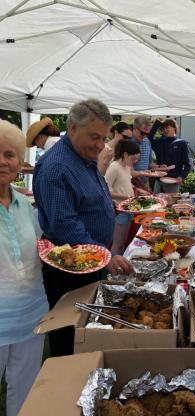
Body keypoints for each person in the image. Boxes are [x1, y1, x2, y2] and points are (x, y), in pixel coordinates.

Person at [33, 98, 133, 357]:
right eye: (95, 137)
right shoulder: (56, 167)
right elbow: (64, 225)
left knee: (85, 328)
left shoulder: (81, 155)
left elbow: (85, 198)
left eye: (103, 138)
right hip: (70, 269)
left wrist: (104, 203)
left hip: (90, 261)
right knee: (69, 334)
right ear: (73, 128)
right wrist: (104, 255)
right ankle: (63, 383)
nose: (101, 145)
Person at [0, 120, 49, 416]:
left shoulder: (24, 204)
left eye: (9, 154)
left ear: (19, 162)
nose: (3, 162)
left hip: (32, 309)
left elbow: (38, 248)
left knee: (26, 379)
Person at [105, 140, 141, 255]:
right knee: (117, 243)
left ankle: (120, 266)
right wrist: (126, 196)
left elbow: (125, 183)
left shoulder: (126, 166)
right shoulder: (114, 167)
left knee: (124, 241)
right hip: (119, 210)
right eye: (133, 159)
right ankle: (114, 269)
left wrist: (139, 190)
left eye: (137, 159)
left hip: (128, 208)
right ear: (125, 154)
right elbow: (105, 190)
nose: (135, 162)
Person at [150, 118, 192, 194]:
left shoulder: (181, 143)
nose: (165, 130)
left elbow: (187, 164)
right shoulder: (160, 141)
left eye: (167, 127)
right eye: (164, 128)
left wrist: (181, 176)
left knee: (171, 204)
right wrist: (158, 123)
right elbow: (149, 137)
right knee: (156, 203)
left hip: (172, 182)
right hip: (158, 181)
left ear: (174, 128)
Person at [131, 116, 153, 187]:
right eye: (142, 133)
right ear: (134, 128)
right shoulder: (127, 142)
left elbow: (149, 164)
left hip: (145, 183)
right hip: (130, 184)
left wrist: (160, 167)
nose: (144, 136)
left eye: (147, 134)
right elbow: (125, 169)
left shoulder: (147, 141)